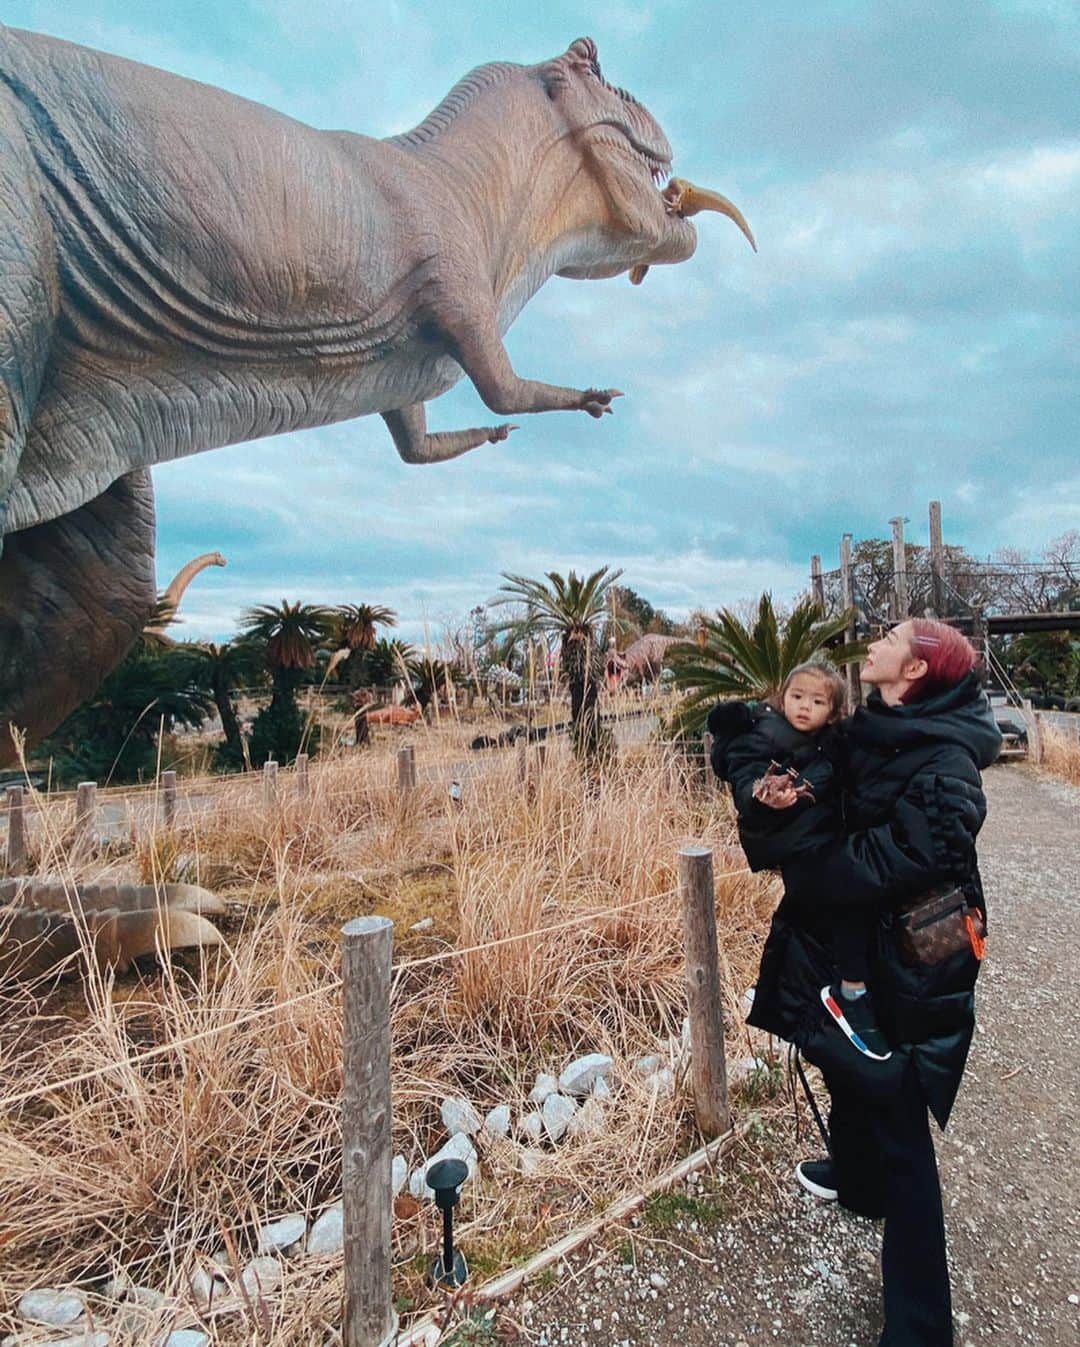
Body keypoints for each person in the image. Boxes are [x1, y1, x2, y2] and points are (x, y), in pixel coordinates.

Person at [739, 619, 1000, 1346]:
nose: (875, 641)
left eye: (890, 636)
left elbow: (910, 853)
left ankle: (921, 1326)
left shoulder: (946, 760)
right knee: (841, 1053)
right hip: (856, 937)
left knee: (899, 1109)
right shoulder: (870, 725)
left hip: (916, 951)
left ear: (913, 670)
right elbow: (800, 792)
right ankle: (858, 1180)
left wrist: (813, 866)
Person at [709, 661, 891, 1059]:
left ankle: (832, 996)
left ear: (834, 709)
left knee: (835, 913)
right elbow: (745, 776)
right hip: (795, 846)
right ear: (781, 697)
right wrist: (763, 794)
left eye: (817, 700)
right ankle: (851, 992)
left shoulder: (834, 740)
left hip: (823, 840)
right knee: (847, 901)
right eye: (796, 696)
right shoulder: (763, 730)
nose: (804, 706)